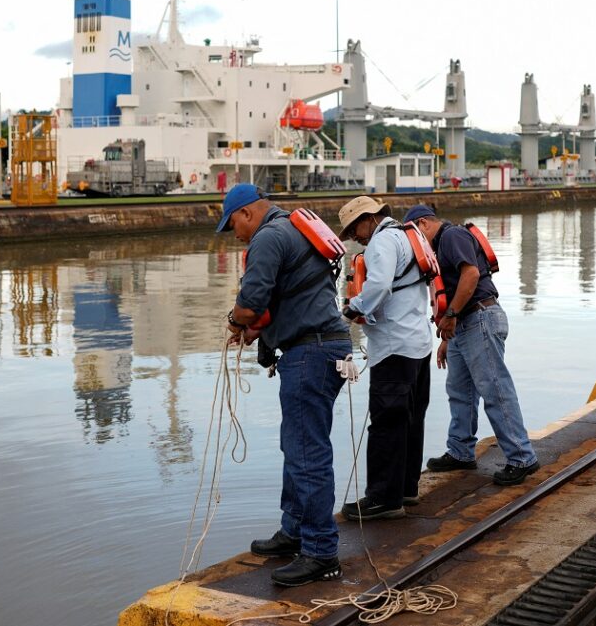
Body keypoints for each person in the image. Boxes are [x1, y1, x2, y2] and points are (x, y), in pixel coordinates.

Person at [217, 184, 352, 586]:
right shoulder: (291, 230)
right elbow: (293, 296)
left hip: (310, 353)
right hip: (324, 347)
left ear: (246, 214)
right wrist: (260, 332)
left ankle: (321, 552)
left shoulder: (268, 237)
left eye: (233, 226)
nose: (236, 234)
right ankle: (294, 532)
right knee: (297, 445)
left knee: (306, 452)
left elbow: (251, 301)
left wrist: (236, 322)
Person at [404, 204, 541, 486]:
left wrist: (451, 315)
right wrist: (447, 336)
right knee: (459, 390)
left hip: (479, 317)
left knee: (495, 389)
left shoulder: (451, 236)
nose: (414, 243)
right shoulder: (441, 243)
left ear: (423, 224)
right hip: (464, 324)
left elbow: (471, 276)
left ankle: (521, 457)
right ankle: (461, 451)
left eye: (412, 234)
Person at [337, 196, 434, 521]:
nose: (354, 238)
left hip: (394, 347)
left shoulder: (381, 242)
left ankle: (383, 498)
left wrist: (350, 311)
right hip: (417, 343)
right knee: (411, 419)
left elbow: (377, 286)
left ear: (368, 219)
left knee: (386, 423)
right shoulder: (406, 235)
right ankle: (406, 488)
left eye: (354, 229)